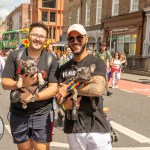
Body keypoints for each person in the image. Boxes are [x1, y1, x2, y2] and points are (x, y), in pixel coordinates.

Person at [1, 22, 58, 150]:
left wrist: (33, 97)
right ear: (28, 36)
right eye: (35, 35)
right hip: (18, 113)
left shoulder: (51, 59)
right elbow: (5, 83)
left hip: (42, 113)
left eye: (42, 36)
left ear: (45, 40)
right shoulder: (15, 56)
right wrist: (21, 83)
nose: (38, 38)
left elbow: (54, 88)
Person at [56, 24, 112, 150]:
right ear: (68, 42)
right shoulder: (62, 69)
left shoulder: (97, 62)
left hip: (97, 126)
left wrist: (68, 88)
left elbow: (98, 89)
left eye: (79, 38)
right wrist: (64, 105)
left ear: (85, 39)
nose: (75, 41)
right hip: (73, 128)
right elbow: (58, 97)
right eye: (71, 39)